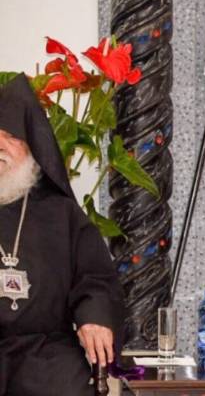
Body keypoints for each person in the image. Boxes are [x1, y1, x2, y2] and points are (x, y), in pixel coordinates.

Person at [0, 74, 124, 395]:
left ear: (32, 147)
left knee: (66, 383)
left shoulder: (62, 214)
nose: (0, 146)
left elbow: (94, 278)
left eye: (11, 137)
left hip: (44, 352)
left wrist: (94, 318)